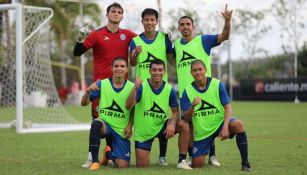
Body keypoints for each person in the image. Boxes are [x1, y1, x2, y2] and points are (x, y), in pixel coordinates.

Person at [73, 2, 137, 168]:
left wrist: (165, 40)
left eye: (119, 12)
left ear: (122, 16)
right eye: (113, 11)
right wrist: (80, 38)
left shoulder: (128, 35)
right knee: (98, 120)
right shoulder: (96, 34)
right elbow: (77, 52)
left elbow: (147, 40)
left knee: (117, 117)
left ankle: (110, 154)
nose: (116, 14)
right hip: (102, 87)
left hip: (122, 87)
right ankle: (91, 157)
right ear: (107, 15)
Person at [174, 4, 233, 166]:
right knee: (190, 126)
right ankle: (189, 156)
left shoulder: (203, 40)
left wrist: (227, 21)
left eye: (188, 24)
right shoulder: (177, 45)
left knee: (208, 123)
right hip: (186, 93)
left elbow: (224, 36)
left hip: (205, 91)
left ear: (193, 26)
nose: (185, 27)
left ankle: (212, 155)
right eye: (182, 24)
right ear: (178, 28)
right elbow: (167, 57)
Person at [181, 60, 251, 171]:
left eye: (200, 69)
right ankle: (208, 150)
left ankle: (245, 163)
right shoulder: (187, 91)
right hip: (203, 133)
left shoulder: (217, 84)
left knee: (238, 124)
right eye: (195, 70)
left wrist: (225, 128)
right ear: (191, 73)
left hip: (219, 124)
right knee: (196, 164)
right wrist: (192, 106)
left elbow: (227, 107)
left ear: (205, 70)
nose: (198, 72)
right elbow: (186, 118)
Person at [125, 59, 191, 169]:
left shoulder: (169, 89)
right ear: (150, 71)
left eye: (160, 70)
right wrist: (135, 87)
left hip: (161, 127)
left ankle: (182, 160)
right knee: (142, 166)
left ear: (164, 71)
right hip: (144, 132)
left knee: (184, 125)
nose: (157, 72)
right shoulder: (141, 86)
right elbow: (129, 106)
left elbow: (175, 111)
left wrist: (172, 123)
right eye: (154, 69)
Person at [129, 8, 173, 166]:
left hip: (161, 87)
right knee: (144, 116)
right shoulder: (135, 41)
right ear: (142, 21)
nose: (149, 23)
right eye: (146, 20)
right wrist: (134, 54)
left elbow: (172, 58)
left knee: (160, 117)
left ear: (157, 21)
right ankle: (139, 140)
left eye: (152, 20)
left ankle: (163, 156)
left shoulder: (163, 37)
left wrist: (172, 42)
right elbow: (132, 63)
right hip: (143, 86)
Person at [80, 57, 134, 171]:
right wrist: (87, 91)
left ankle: (108, 154)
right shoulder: (102, 84)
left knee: (123, 165)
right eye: (116, 66)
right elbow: (84, 103)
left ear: (126, 69)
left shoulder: (132, 87)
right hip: (106, 125)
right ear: (111, 69)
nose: (119, 69)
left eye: (122, 66)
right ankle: (95, 161)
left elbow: (134, 109)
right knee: (96, 124)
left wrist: (130, 125)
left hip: (121, 129)